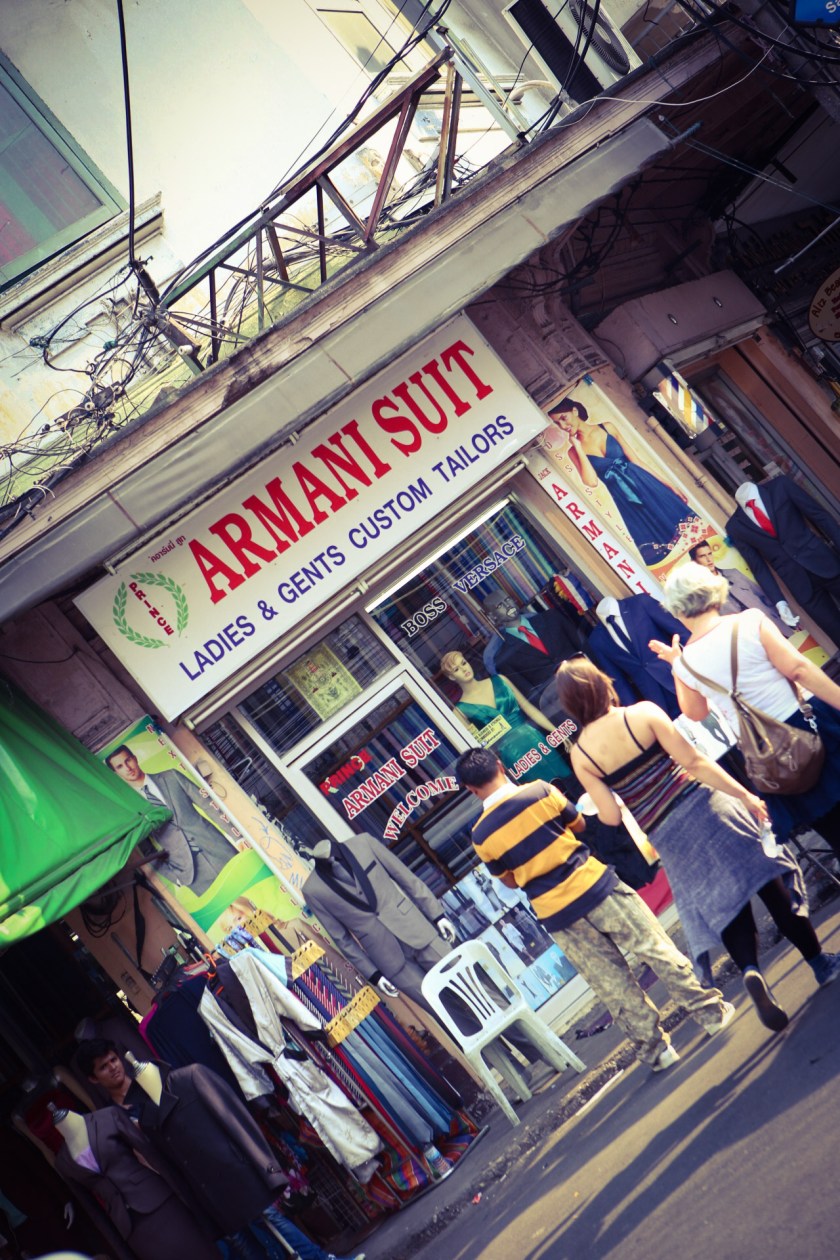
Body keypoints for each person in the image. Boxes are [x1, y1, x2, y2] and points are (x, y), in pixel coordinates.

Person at [556, 656, 840, 1033]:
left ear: (570, 705)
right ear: (601, 684)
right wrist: (745, 795)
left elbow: (609, 816)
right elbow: (694, 762)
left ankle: (751, 969)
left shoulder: (581, 756)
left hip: (668, 836)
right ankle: (820, 963)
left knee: (725, 907)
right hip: (707, 807)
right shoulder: (642, 714)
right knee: (770, 882)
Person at [455, 747, 736, 1071]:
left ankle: (657, 1051)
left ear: (471, 789)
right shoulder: (541, 791)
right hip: (596, 885)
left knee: (612, 983)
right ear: (500, 766)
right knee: (655, 948)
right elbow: (578, 824)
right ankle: (710, 1014)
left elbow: (509, 881)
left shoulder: (481, 836)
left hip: (558, 915)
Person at [76, 1041, 364, 1260]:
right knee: (243, 1237)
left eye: (113, 1059)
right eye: (103, 1067)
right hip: (194, 1182)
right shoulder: (116, 1118)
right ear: (94, 1079)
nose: (113, 1067)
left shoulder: (165, 1080)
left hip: (223, 1164)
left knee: (268, 1219)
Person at [654, 561, 840, 861]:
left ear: (677, 609)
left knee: (832, 829)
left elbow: (696, 713)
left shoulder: (686, 663)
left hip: (766, 753)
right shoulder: (750, 621)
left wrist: (677, 665)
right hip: (808, 723)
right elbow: (799, 670)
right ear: (714, 590)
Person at [548, 398, 698, 565]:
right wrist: (578, 447)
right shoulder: (573, 451)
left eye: (564, 418)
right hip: (626, 499)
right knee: (661, 545)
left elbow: (637, 461)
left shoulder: (607, 427)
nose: (563, 426)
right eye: (557, 423)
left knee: (684, 528)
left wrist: (670, 485)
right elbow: (591, 482)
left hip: (646, 484)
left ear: (575, 411)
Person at [106, 744, 238, 894]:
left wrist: (237, 837)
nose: (127, 768)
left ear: (135, 759)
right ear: (116, 773)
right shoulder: (131, 810)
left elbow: (208, 805)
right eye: (120, 766)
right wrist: (174, 877)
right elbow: (146, 851)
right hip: (191, 874)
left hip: (218, 849)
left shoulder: (171, 776)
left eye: (128, 760)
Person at [725, 477, 840, 638]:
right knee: (835, 631)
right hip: (800, 586)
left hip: (825, 563)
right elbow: (758, 568)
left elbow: (820, 516)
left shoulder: (781, 486)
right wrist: (779, 602)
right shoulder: (735, 527)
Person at [440, 651, 570, 786]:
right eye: (456, 669)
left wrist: (557, 731)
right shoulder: (460, 711)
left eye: (463, 663)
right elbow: (477, 747)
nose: (464, 669)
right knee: (537, 790)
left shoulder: (500, 680)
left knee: (565, 780)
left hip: (534, 739)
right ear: (451, 677)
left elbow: (529, 709)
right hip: (511, 756)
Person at [481, 589, 585, 698]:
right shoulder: (504, 659)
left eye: (508, 600)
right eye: (500, 606)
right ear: (492, 616)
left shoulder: (552, 618)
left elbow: (583, 646)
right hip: (559, 700)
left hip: (586, 677)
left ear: (514, 600)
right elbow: (529, 694)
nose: (508, 606)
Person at [688, 540, 793, 632]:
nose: (709, 559)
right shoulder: (702, 594)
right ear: (694, 562)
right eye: (702, 556)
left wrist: (783, 617)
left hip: (771, 624)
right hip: (748, 637)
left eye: (709, 554)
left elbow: (762, 596)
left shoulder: (733, 573)